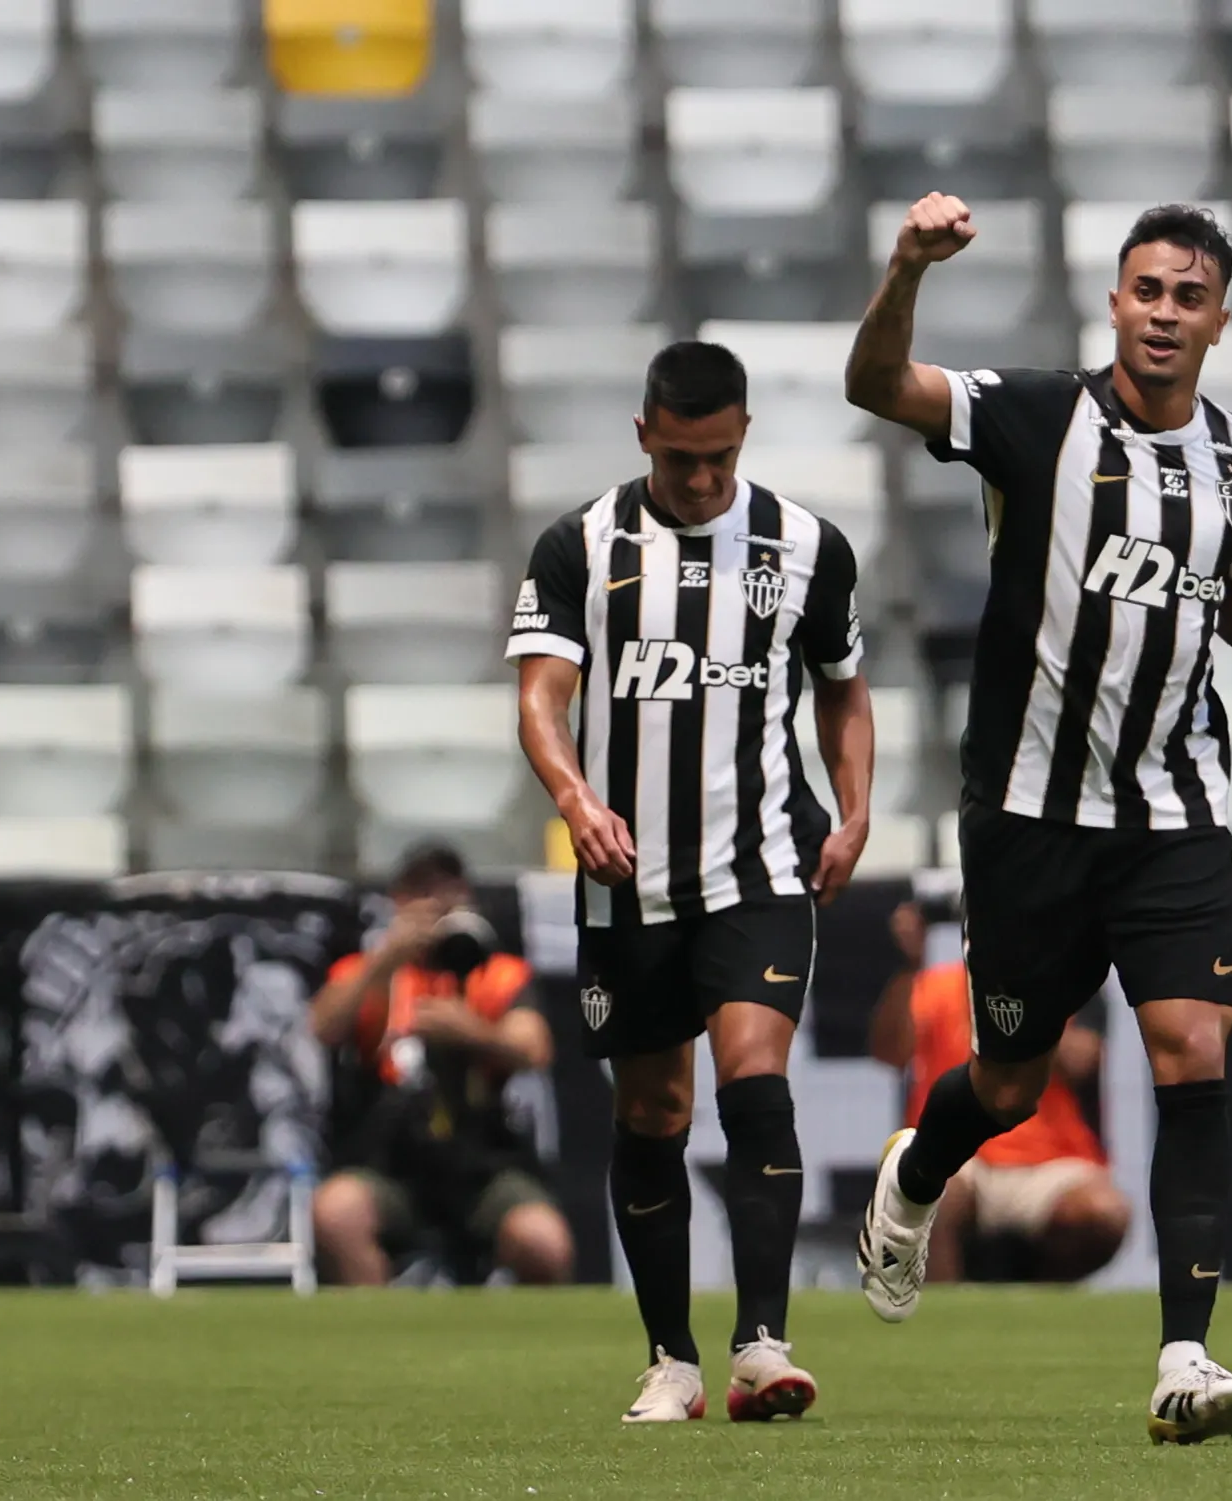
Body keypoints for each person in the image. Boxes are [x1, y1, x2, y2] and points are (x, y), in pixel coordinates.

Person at [845, 195, 1232, 1444]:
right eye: (1146, 290)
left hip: (1173, 808)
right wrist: (907, 269)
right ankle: (915, 1174)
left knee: (1191, 1053)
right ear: (1113, 302)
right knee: (1005, 1082)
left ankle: (1184, 1356)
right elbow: (875, 383)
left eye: (1188, 296)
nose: (1163, 313)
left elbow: (1230, 575)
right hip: (1030, 815)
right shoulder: (1036, 416)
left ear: (1219, 319)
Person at [510, 340, 875, 1424]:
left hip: (760, 866)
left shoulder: (805, 546)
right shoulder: (580, 545)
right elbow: (541, 696)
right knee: (653, 1108)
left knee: (754, 1080)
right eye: (680, 460)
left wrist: (856, 811)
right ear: (643, 436)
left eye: (720, 457)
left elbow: (842, 687)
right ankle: (670, 1359)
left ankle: (762, 1343)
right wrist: (575, 799)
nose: (703, 479)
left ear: (745, 433)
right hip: (628, 880)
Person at [309, 843, 576, 1290]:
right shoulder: (370, 972)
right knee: (337, 1213)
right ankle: (374, 1327)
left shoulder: (497, 972)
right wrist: (385, 960)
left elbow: (535, 1048)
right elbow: (322, 1026)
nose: (437, 903)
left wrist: (471, 1032)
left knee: (542, 1240)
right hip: (392, 1162)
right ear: (398, 900)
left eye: (448, 890)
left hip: (483, 1164)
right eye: (422, 891)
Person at [870, 901, 1130, 1283]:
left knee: (1105, 1213)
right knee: (929, 1193)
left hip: (1049, 1160)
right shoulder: (940, 986)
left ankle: (1038, 1305)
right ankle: (944, 1313)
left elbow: (1081, 1061)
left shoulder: (1070, 984)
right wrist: (910, 965)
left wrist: (1023, 994)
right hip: (963, 1155)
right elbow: (889, 1052)